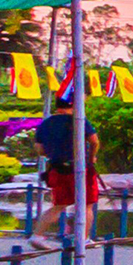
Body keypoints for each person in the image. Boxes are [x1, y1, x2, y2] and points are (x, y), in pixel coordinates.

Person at [32, 90, 87, 244]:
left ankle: (37, 235)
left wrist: (52, 154)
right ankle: (83, 239)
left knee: (59, 205)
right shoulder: (78, 120)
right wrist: (92, 155)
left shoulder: (46, 123)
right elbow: (94, 140)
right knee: (86, 203)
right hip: (79, 167)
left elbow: (39, 148)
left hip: (57, 167)